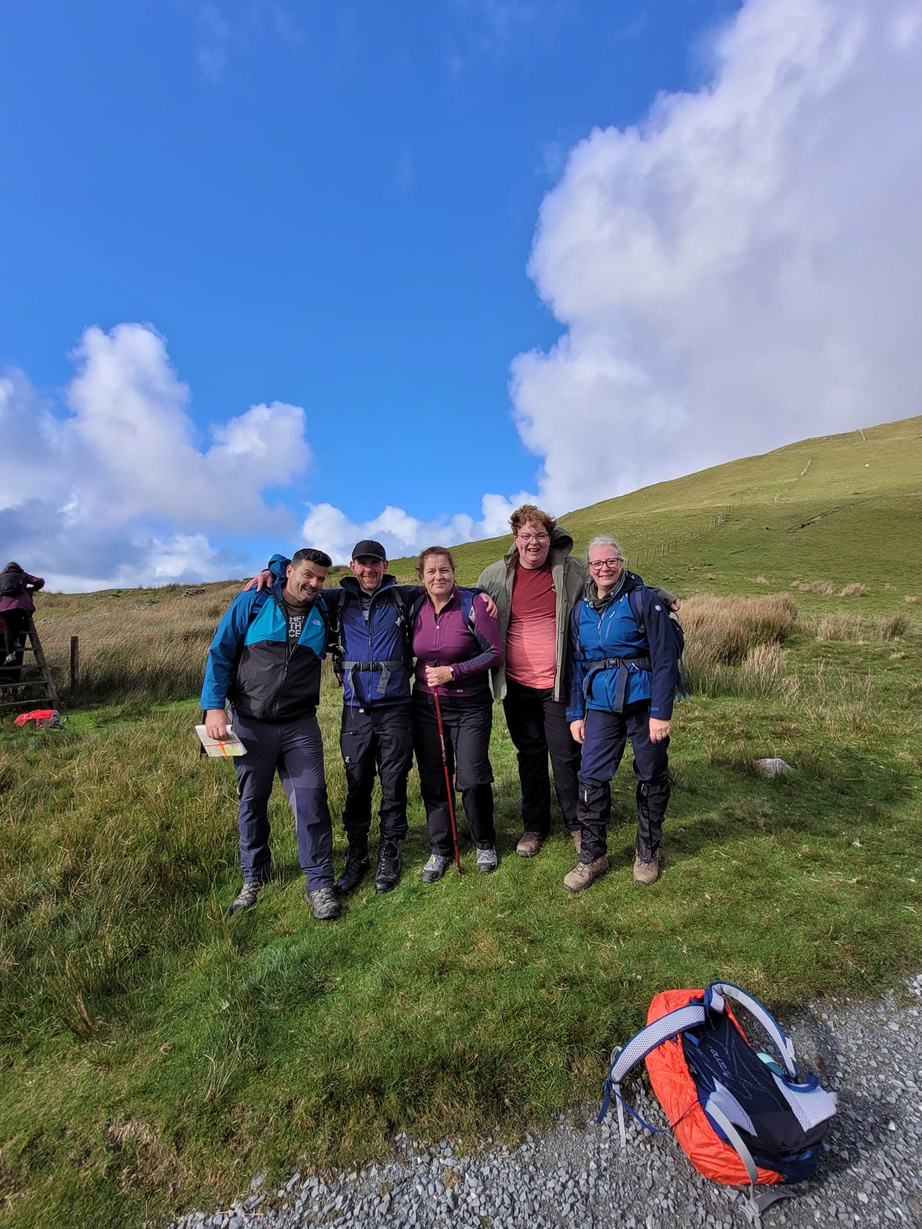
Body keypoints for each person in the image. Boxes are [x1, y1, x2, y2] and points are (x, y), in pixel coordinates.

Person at [251, 544, 498, 896]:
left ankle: (390, 850)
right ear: (353, 566)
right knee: (358, 782)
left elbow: (445, 588)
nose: (368, 570)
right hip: (355, 709)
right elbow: (298, 581)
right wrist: (271, 571)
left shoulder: (404, 596)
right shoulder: (336, 599)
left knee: (394, 783)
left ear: (385, 565)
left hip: (397, 708)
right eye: (362, 564)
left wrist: (481, 592)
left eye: (375, 564)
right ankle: (357, 853)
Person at [477, 506, 677, 862]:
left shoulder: (570, 570)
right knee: (529, 756)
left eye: (540, 535)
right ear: (515, 539)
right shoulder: (495, 574)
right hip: (516, 684)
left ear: (549, 538)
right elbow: (470, 597)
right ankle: (534, 826)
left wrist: (658, 592)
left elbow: (614, 579)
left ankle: (577, 826)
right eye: (526, 536)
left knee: (567, 756)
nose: (533, 543)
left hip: (558, 682)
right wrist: (479, 599)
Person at [201, 548, 340, 920]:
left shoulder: (324, 608)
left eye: (321, 579)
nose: (314, 584)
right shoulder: (253, 601)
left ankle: (319, 884)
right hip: (250, 722)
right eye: (307, 575)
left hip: (300, 725)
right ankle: (254, 878)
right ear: (290, 571)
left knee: (311, 801)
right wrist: (214, 708)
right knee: (252, 803)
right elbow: (220, 654)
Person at [565, 536, 679, 892]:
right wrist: (575, 713)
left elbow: (664, 659)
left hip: (644, 703)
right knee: (591, 777)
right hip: (600, 705)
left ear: (622, 562)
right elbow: (578, 665)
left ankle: (647, 852)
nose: (604, 568)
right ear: (589, 567)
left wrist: (661, 712)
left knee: (651, 774)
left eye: (611, 561)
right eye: (597, 563)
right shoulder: (580, 611)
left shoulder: (643, 600)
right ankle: (593, 856)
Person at [411, 547, 503, 882]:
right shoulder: (412, 605)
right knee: (434, 778)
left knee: (473, 777)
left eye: (445, 570)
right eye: (432, 571)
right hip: (426, 706)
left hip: (470, 706)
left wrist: (456, 671)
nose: (439, 577)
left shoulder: (473, 604)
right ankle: (440, 848)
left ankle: (483, 841)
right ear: (421, 576)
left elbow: (494, 652)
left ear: (454, 572)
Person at [0, 563, 45, 665]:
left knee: (7, 628)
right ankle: (16, 641)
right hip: (20, 605)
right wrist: (33, 589)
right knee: (17, 623)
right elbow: (40, 581)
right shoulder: (22, 575)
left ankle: (10, 654)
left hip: (4, 607)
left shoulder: (1, 577)